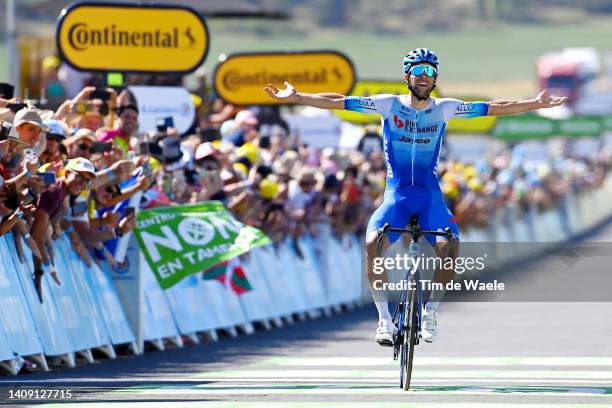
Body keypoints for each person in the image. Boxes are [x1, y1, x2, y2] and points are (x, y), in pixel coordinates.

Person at [264, 47, 566, 345]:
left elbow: (495, 106)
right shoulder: (387, 104)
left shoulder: (445, 108)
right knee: (372, 246)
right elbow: (339, 101)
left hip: (429, 197)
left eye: (430, 72)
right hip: (397, 196)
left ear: (435, 79)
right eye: (418, 71)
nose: (424, 76)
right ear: (407, 76)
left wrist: (532, 103)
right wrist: (298, 97)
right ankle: (384, 319)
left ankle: (431, 312)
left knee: (450, 249)